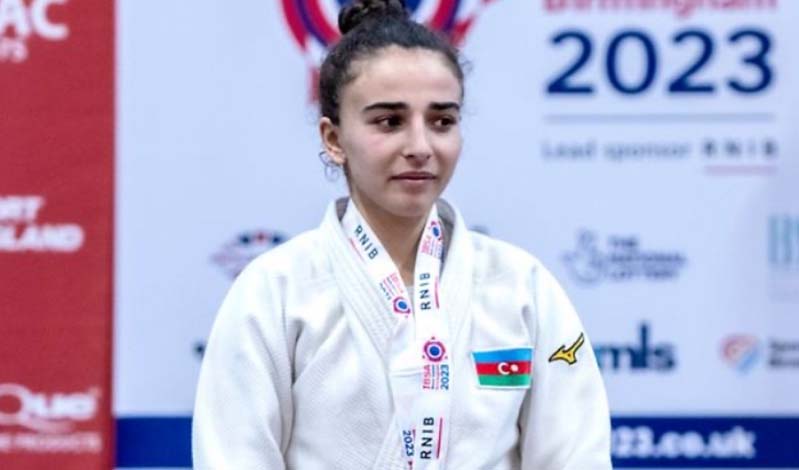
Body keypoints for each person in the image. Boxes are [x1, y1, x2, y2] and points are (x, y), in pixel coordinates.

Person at [192, 0, 611, 468]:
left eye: (442, 121)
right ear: (333, 139)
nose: (420, 146)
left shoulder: (521, 287)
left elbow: (576, 456)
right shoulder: (275, 291)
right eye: (389, 122)